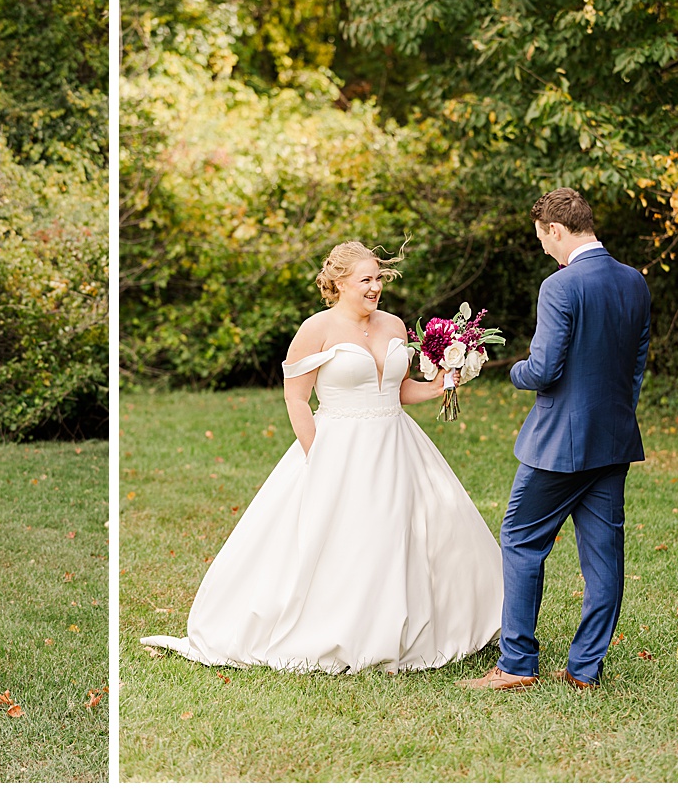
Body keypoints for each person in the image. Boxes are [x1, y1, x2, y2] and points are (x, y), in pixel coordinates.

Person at [141, 242, 503, 674]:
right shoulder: (317, 329)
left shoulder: (394, 325)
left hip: (395, 443)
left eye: (379, 279)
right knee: (338, 539)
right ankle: (336, 629)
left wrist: (441, 384)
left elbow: (399, 389)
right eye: (365, 280)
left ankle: (414, 625)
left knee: (411, 533)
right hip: (337, 446)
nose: (375, 288)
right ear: (339, 283)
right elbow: (296, 398)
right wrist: (319, 455)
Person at [458, 188, 650, 692]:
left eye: (542, 237)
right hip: (614, 438)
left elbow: (543, 369)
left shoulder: (560, 286)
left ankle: (517, 663)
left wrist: (513, 370)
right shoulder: (634, 282)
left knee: (521, 540)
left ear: (557, 231)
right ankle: (586, 670)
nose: (543, 247)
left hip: (560, 444)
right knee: (605, 558)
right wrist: (615, 415)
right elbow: (635, 366)